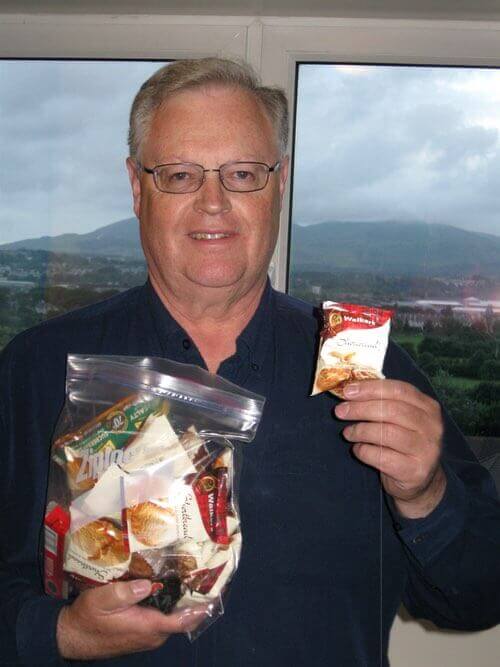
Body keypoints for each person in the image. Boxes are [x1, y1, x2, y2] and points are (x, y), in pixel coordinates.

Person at [0, 58, 499, 667]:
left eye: (241, 174)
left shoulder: (365, 368)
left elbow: (477, 597)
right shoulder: (39, 369)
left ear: (279, 184)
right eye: (180, 175)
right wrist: (61, 634)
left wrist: (426, 495)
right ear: (136, 187)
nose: (213, 202)